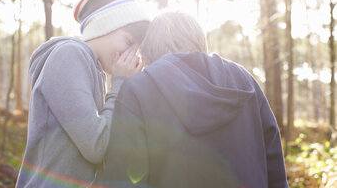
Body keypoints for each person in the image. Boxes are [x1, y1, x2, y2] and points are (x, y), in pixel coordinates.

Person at [100, 11, 289, 188]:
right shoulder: (243, 79)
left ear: (148, 52)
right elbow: (274, 163)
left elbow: (124, 176)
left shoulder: (138, 88)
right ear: (200, 42)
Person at [16, 0, 150, 188]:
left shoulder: (94, 69)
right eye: (129, 42)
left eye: (136, 49)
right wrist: (120, 83)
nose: (131, 55)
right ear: (105, 27)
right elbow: (96, 145)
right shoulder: (69, 55)